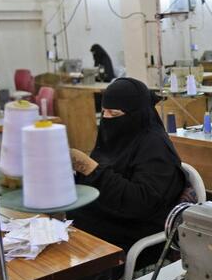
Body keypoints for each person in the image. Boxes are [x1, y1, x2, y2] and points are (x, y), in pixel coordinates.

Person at [68, 78, 187, 258]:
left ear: (137, 115)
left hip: (135, 231)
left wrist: (91, 169)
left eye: (114, 114)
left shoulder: (155, 147)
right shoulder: (114, 139)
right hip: (107, 218)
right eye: (104, 112)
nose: (107, 119)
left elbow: (139, 203)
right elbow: (96, 183)